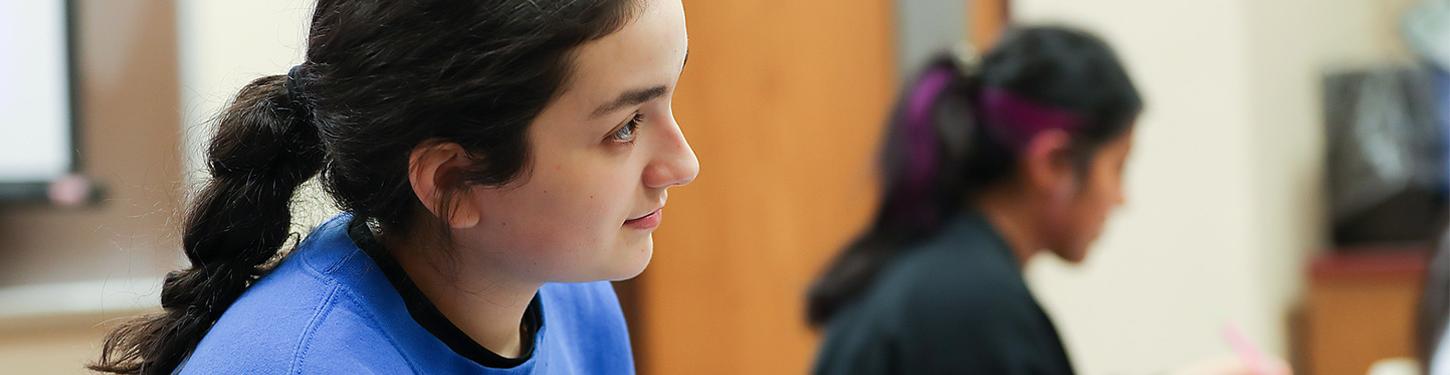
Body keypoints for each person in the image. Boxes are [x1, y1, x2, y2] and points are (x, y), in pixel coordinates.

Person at [91, 0, 696, 373]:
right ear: (451, 180)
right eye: (625, 127)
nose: (684, 163)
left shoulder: (573, 303)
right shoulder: (299, 363)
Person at [807, 25, 1285, 374]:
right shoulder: (972, 309)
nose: (1121, 200)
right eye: (1117, 168)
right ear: (1053, 164)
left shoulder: (936, 279)